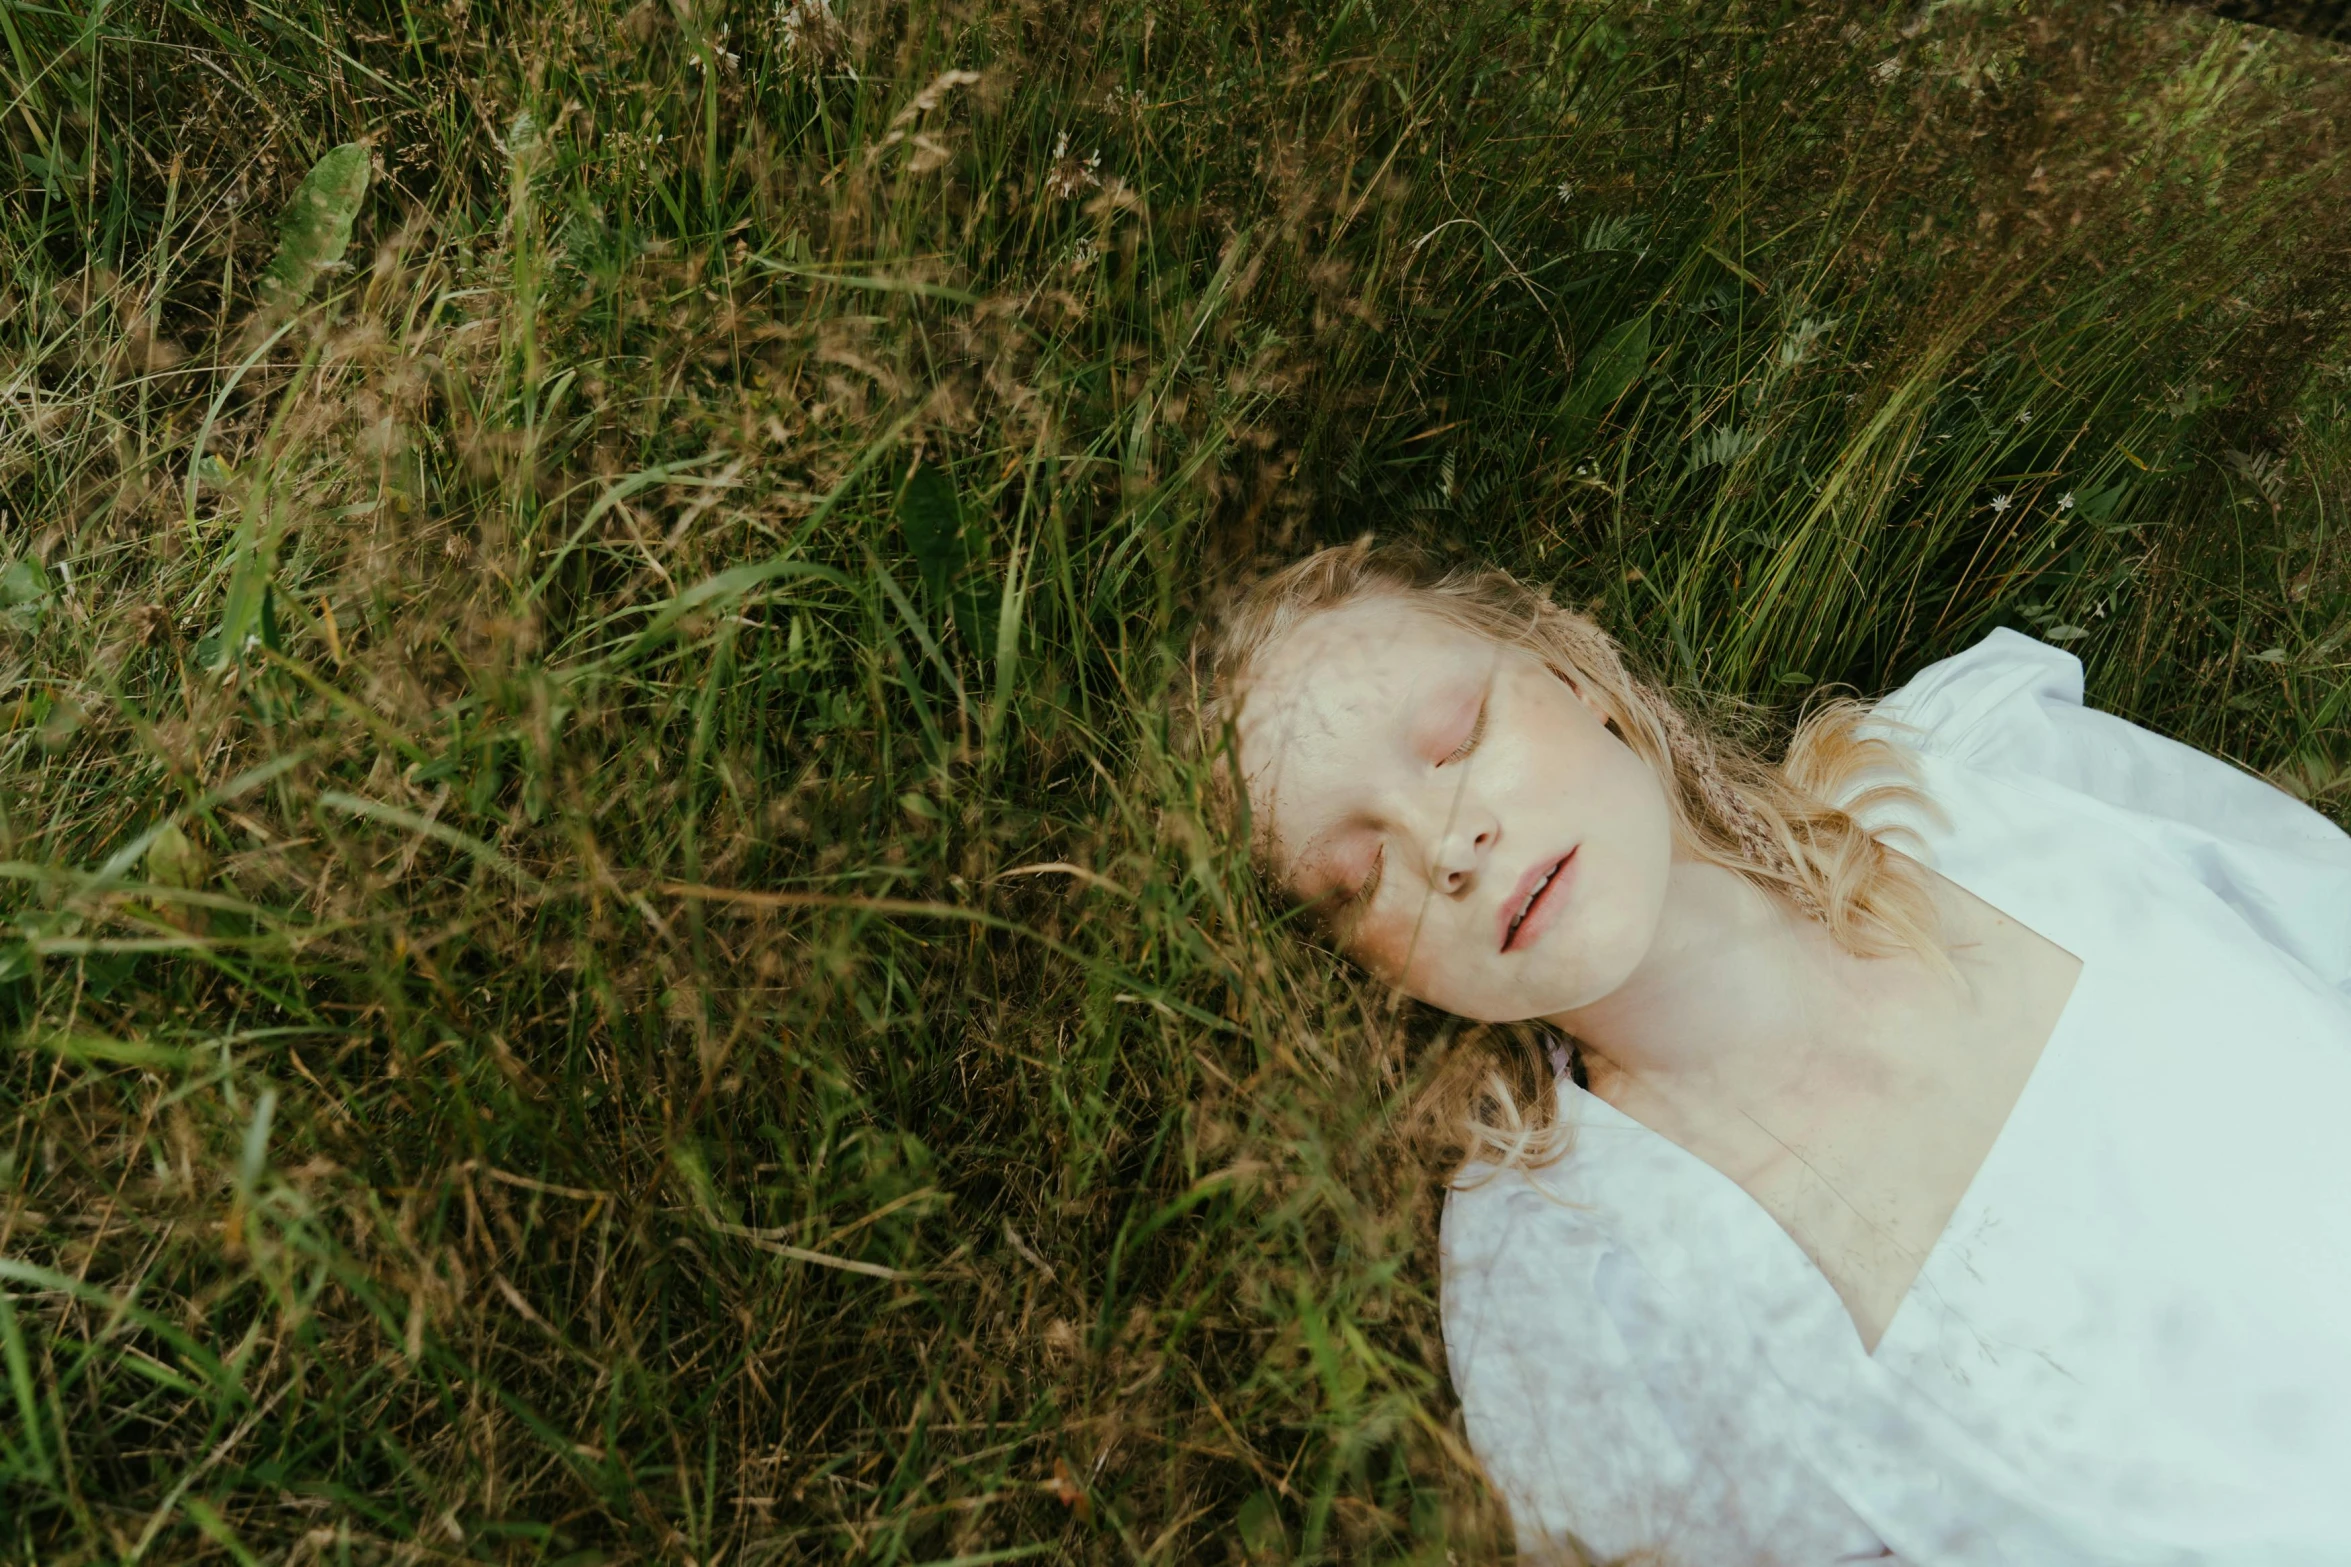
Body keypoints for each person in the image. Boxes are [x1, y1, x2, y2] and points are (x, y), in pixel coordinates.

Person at [1188, 539, 2351, 1566]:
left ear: (1571, 670)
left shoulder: (1989, 770)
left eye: (1454, 739)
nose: (1446, 842)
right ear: (1375, 967)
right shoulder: (1569, 1303)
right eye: (1360, 875)